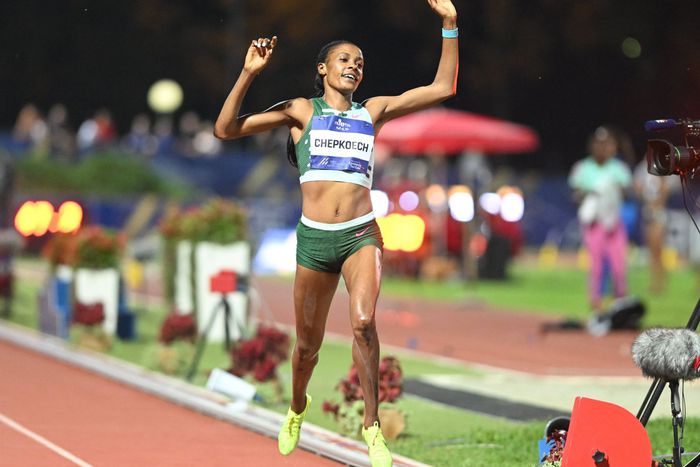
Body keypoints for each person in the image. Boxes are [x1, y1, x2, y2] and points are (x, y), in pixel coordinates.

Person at [214, 1, 458, 464]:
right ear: (323, 69)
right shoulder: (301, 111)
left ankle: (372, 425)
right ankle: (296, 407)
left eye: (360, 63)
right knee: (307, 347)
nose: (354, 67)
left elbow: (443, 87)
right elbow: (225, 129)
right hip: (314, 242)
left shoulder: (374, 111)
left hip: (360, 235)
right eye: (345, 59)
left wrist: (449, 24)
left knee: (364, 323)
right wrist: (248, 73)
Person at [568, 126, 632, 319]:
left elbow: (627, 193)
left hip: (614, 222)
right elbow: (575, 194)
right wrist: (592, 194)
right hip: (594, 223)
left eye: (606, 144)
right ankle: (596, 304)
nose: (602, 148)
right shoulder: (582, 168)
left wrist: (613, 191)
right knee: (596, 266)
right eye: (599, 144)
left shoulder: (618, 168)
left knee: (619, 266)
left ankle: (620, 304)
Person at [633, 157, 679, 293]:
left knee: (658, 249)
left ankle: (661, 280)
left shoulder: (662, 166)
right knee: (652, 250)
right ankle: (655, 281)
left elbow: (666, 189)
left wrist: (656, 204)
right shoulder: (643, 168)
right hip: (648, 211)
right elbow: (638, 187)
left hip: (658, 213)